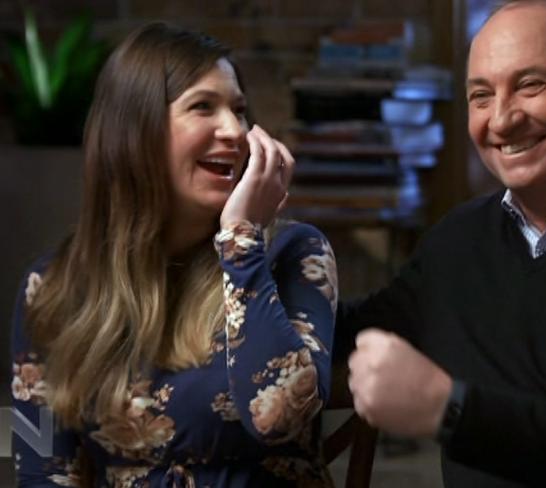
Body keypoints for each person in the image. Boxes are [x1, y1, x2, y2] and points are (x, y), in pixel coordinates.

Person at [11, 23, 338, 486]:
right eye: (203, 106)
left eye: (240, 111)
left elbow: (279, 416)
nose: (236, 131)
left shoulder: (293, 253)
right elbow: (40, 465)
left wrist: (242, 241)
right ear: (135, 133)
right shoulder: (52, 287)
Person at [341, 0, 546, 486]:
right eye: (481, 96)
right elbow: (352, 334)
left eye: (530, 85)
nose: (501, 120)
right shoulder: (460, 239)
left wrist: (450, 411)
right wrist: (239, 246)